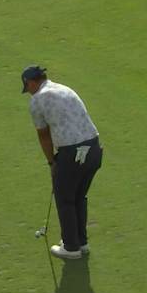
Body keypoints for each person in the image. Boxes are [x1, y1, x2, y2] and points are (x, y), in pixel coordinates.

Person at [22, 65, 103, 260]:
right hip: (94, 149)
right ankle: (81, 242)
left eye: (27, 86)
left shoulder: (37, 100)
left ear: (32, 82)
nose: (28, 91)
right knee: (78, 196)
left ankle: (71, 246)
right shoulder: (65, 88)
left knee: (65, 198)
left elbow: (44, 136)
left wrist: (52, 163)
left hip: (72, 153)